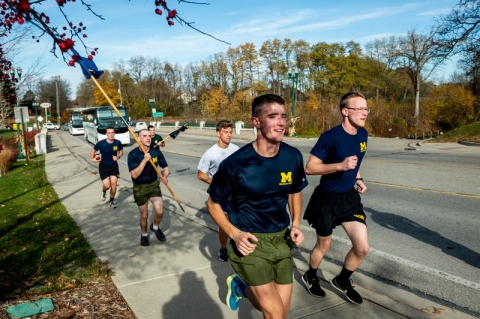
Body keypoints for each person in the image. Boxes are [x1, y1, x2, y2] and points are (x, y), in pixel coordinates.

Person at [207, 94, 308, 317]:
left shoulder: (292, 157)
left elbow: (295, 190)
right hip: (250, 241)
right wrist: (234, 234)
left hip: (281, 239)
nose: (281, 122)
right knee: (275, 314)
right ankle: (243, 283)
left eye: (283, 116)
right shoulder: (235, 164)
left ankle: (239, 286)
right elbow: (212, 204)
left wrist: (297, 224)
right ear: (256, 122)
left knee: (281, 311)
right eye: (272, 116)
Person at [302, 91, 370, 305]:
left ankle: (342, 280)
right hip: (327, 200)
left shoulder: (363, 134)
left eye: (366, 108)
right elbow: (310, 168)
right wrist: (339, 166)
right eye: (359, 108)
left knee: (362, 248)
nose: (364, 113)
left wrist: (358, 178)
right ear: (345, 111)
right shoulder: (330, 137)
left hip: (348, 198)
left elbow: (356, 162)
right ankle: (311, 275)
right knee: (324, 246)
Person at [197, 120, 239, 262]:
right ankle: (223, 248)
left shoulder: (236, 149)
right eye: (225, 132)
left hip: (237, 192)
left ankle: (239, 244)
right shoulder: (211, 153)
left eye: (230, 132)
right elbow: (201, 174)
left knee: (239, 220)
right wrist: (216, 183)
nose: (229, 135)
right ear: (218, 133)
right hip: (222, 194)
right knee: (225, 222)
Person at [128, 129, 170, 247]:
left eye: (149, 136)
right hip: (140, 187)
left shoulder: (156, 152)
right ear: (139, 139)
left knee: (160, 211)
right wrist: (145, 160)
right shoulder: (133, 154)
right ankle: (144, 235)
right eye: (144, 136)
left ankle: (155, 227)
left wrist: (164, 176)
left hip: (153, 184)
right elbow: (134, 175)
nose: (148, 138)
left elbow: (166, 167)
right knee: (144, 215)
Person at [90, 126, 123, 208]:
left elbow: (121, 152)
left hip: (114, 166)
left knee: (114, 184)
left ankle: (111, 202)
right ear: (106, 134)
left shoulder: (118, 143)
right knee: (107, 185)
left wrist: (118, 157)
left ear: (114, 133)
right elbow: (93, 151)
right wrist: (93, 159)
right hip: (103, 167)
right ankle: (104, 190)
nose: (111, 134)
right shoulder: (101, 143)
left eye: (112, 132)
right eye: (109, 133)